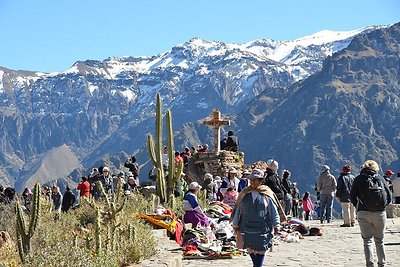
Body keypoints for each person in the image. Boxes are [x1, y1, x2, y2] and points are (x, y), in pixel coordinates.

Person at [231, 169, 285, 267]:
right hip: (246, 226)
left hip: (262, 227)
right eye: (251, 179)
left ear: (261, 181)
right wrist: (235, 223)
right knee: (249, 247)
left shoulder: (266, 194)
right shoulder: (245, 193)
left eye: (255, 180)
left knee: (261, 247)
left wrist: (277, 224)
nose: (252, 182)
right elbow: (238, 209)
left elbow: (273, 211)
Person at [350, 160, 392, 267]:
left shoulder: (359, 179)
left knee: (367, 240)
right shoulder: (380, 179)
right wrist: (382, 207)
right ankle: (382, 263)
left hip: (363, 213)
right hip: (380, 214)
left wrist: (359, 207)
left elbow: (352, 197)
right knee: (379, 240)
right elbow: (389, 197)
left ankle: (370, 264)